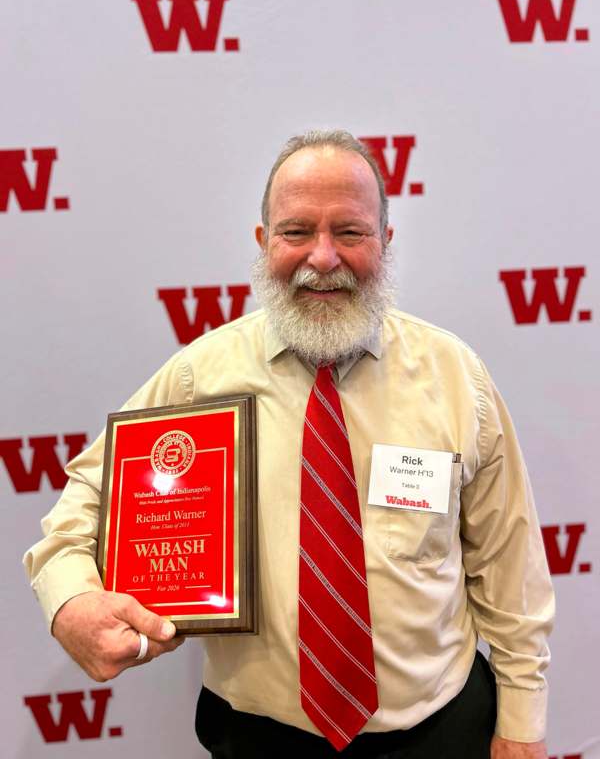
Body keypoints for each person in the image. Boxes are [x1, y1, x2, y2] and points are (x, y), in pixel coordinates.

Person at [24, 130, 554, 759]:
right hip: (260, 739)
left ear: (386, 242)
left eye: (350, 233)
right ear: (263, 242)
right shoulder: (201, 377)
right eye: (297, 231)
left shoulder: (454, 375)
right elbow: (89, 492)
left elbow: (509, 566)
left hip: (437, 733)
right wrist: (72, 600)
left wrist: (521, 723)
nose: (323, 257)